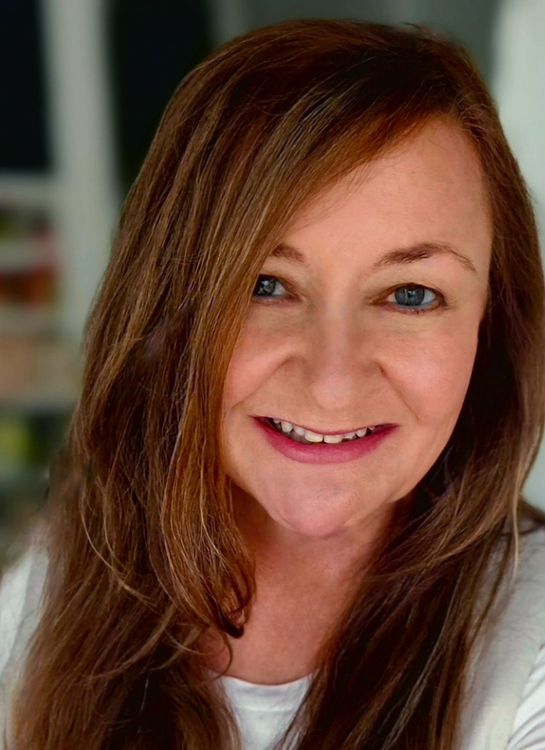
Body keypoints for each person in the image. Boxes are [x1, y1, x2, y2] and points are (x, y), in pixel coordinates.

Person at [1, 17, 545, 750]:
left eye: (409, 294)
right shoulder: (40, 591)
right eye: (267, 284)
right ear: (169, 308)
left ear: (490, 327)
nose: (330, 379)